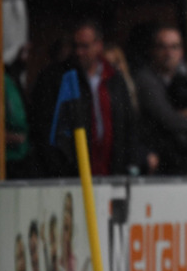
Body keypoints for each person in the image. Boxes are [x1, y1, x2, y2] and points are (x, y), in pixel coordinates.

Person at [30, 19, 141, 177]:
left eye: (85, 46)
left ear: (98, 46)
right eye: (75, 46)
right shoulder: (57, 78)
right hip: (71, 173)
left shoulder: (114, 78)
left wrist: (131, 162)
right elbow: (44, 127)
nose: (79, 52)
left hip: (112, 170)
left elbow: (129, 123)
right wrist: (57, 167)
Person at [134, 25, 187, 175]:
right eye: (162, 47)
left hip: (183, 162)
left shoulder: (183, 78)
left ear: (181, 51)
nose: (169, 53)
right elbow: (167, 119)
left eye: (174, 47)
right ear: (153, 50)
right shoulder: (145, 80)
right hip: (157, 164)